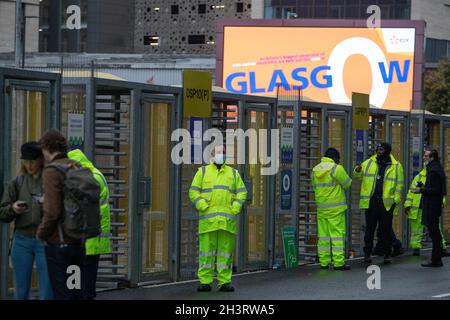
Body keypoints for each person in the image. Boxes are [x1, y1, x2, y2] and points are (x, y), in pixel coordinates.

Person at [188, 145, 247, 292]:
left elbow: (242, 193)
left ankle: (224, 282)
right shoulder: (202, 172)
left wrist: (235, 208)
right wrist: (202, 205)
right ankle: (205, 282)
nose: (221, 155)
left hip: (226, 222)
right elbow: (193, 192)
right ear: (212, 155)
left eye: (223, 152)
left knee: (225, 254)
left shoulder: (233, 174)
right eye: (218, 152)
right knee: (206, 254)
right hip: (208, 222)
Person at [0, 142, 53, 300]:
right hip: (21, 240)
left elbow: (63, 210)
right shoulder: (17, 182)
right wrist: (13, 209)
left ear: (41, 160)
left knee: (47, 291)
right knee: (20, 291)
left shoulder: (51, 181)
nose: (29, 165)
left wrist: (48, 204)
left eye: (33, 161)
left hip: (45, 240)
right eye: (26, 161)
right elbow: (2, 212)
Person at [37, 129, 85, 299]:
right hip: (78, 243)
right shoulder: (76, 166)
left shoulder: (51, 172)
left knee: (62, 293)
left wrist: (41, 233)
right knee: (75, 291)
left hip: (59, 244)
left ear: (47, 148)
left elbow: (52, 212)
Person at [68, 149, 111, 300]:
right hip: (90, 235)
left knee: (85, 280)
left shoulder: (91, 178)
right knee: (84, 277)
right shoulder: (94, 174)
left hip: (91, 235)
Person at [353, 142, 404, 264]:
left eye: (381, 150)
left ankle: (387, 253)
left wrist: (395, 200)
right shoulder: (369, 162)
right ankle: (367, 254)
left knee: (385, 230)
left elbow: (399, 185)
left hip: (386, 203)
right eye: (377, 149)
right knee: (369, 229)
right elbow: (357, 175)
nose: (378, 151)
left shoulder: (396, 166)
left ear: (387, 151)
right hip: (371, 201)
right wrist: (357, 170)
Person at [311, 148, 352, 270]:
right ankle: (338, 263)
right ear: (335, 158)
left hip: (322, 208)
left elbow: (314, 187)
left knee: (323, 237)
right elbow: (347, 183)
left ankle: (323, 262)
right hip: (336, 209)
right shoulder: (336, 168)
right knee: (337, 236)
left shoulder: (315, 170)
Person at [405, 165, 447, 257]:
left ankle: (441, 247)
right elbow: (411, 191)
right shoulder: (419, 177)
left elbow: (440, 191)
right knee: (417, 228)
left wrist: (442, 201)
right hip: (418, 206)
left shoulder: (435, 176)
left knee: (436, 228)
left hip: (429, 206)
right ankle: (416, 247)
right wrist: (407, 204)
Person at [415, 149, 447, 267]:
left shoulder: (434, 170)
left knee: (435, 234)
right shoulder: (435, 168)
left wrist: (421, 190)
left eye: (426, 155)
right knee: (434, 233)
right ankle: (436, 259)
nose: (424, 157)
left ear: (432, 157)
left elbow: (436, 190)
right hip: (433, 205)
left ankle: (436, 260)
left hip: (432, 206)